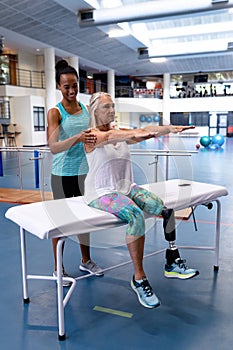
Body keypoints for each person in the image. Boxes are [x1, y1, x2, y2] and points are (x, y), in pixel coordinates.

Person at [83, 91, 199, 309]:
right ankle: (139, 278)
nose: (111, 111)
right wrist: (136, 133)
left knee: (165, 210)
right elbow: (110, 137)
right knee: (135, 215)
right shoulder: (90, 135)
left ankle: (172, 261)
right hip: (100, 192)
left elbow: (145, 132)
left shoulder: (122, 133)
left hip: (126, 187)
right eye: (106, 107)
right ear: (94, 110)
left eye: (113, 106)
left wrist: (171, 129)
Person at [47, 60, 103, 286]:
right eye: (66, 86)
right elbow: (53, 147)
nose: (71, 90)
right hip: (62, 175)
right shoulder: (55, 112)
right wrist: (77, 138)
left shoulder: (86, 110)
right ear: (59, 87)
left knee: (85, 220)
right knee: (61, 224)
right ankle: (57, 269)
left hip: (84, 174)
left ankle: (86, 260)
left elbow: (93, 137)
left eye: (74, 85)